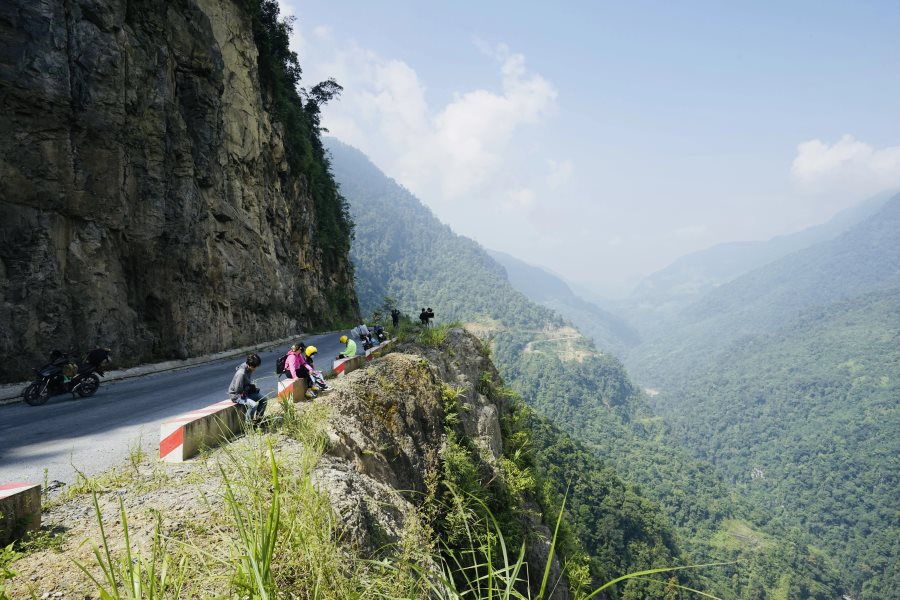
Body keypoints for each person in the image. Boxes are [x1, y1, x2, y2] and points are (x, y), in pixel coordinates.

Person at [228, 353, 267, 425]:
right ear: (249, 365)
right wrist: (248, 388)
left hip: (246, 392)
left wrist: (252, 387)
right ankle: (248, 424)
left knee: (264, 399)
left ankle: (259, 419)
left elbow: (246, 383)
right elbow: (238, 390)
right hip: (237, 396)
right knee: (253, 405)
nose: (255, 369)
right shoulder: (241, 373)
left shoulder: (248, 367)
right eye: (254, 367)